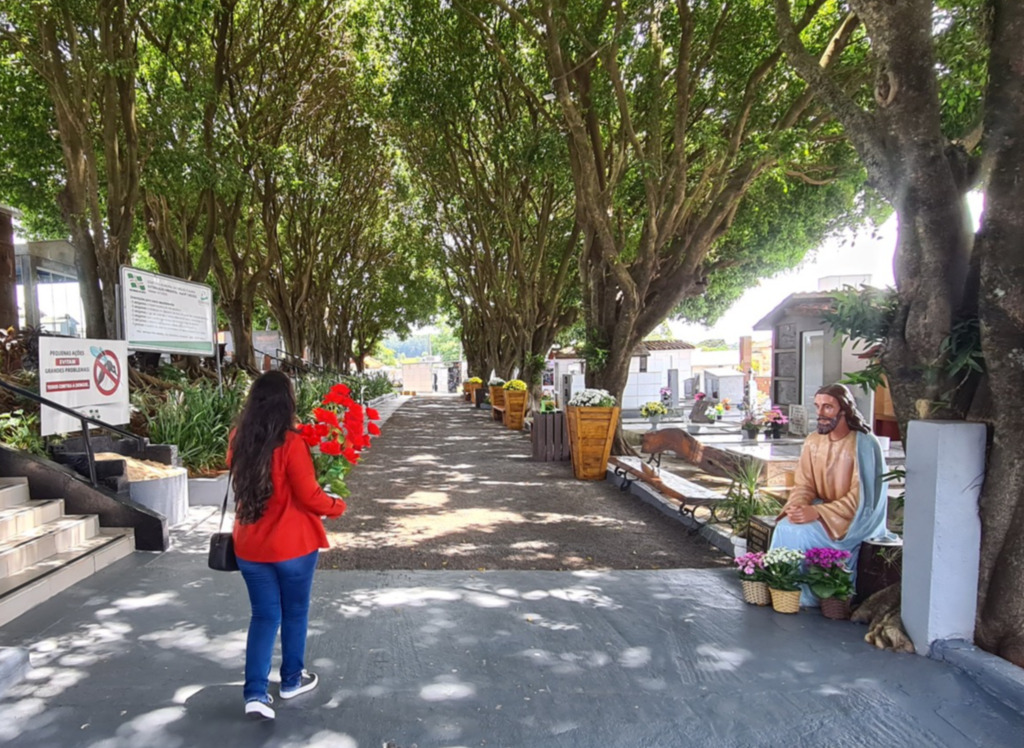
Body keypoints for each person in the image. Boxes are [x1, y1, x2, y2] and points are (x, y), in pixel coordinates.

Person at [229, 371, 347, 720]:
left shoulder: (238, 438)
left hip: (250, 545)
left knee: (264, 616)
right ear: (287, 402)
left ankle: (254, 693)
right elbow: (309, 496)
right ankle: (292, 680)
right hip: (293, 546)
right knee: (294, 612)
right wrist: (336, 505)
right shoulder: (292, 443)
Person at [769, 383, 889, 606]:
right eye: (817, 407)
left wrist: (817, 512)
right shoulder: (814, 441)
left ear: (844, 409)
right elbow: (804, 484)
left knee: (800, 534)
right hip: (824, 512)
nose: (820, 414)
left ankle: (808, 596)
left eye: (827, 407)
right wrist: (797, 506)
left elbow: (862, 498)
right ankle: (783, 590)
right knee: (786, 526)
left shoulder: (863, 444)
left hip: (851, 520)